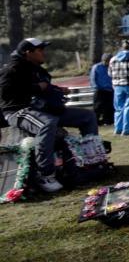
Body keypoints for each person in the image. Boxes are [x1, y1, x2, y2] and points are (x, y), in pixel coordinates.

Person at [0, 38, 99, 193]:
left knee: (88, 116)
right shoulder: (12, 68)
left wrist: (56, 89)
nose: (43, 53)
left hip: (43, 110)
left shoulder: (35, 69)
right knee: (47, 123)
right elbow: (5, 93)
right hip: (17, 111)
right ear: (28, 53)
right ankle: (45, 173)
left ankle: (92, 161)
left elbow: (42, 87)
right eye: (40, 50)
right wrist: (35, 87)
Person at [89, 53, 114, 125]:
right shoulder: (96, 67)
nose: (107, 62)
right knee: (97, 107)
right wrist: (96, 87)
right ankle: (95, 121)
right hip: (99, 90)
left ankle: (108, 121)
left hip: (110, 90)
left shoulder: (111, 67)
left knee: (109, 107)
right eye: (106, 61)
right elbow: (92, 79)